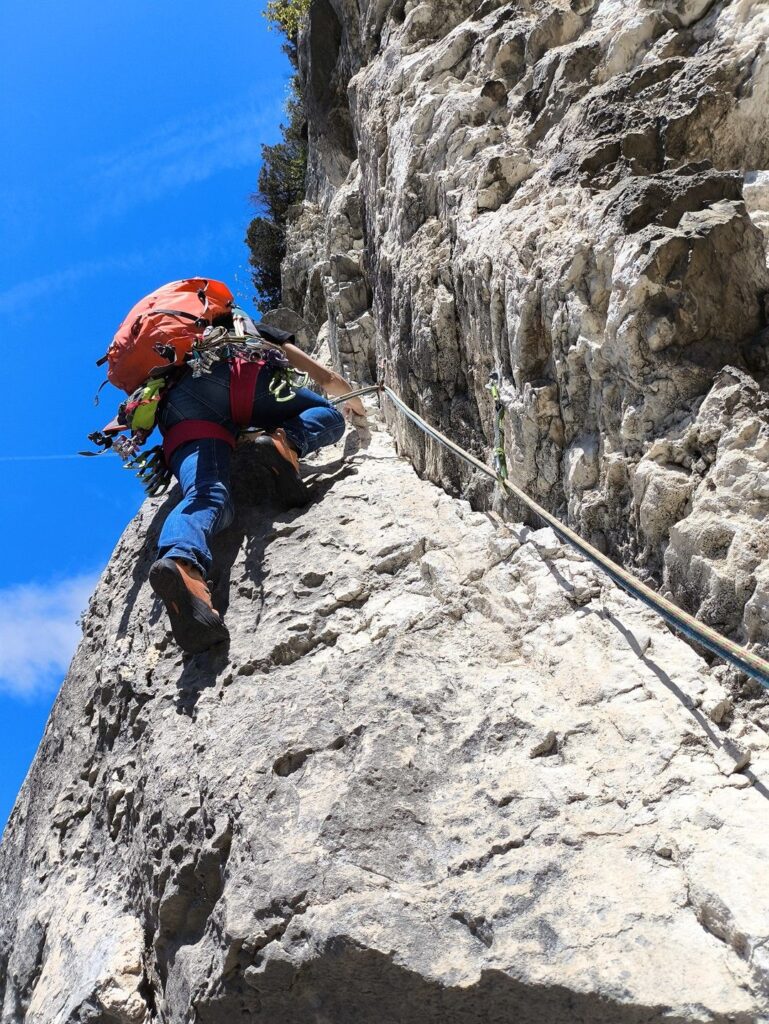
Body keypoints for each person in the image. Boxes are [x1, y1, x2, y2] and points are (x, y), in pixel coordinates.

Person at [148, 319, 367, 655]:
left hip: (178, 413)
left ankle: (181, 563)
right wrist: (357, 407)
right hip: (234, 379)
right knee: (328, 414)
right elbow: (326, 380)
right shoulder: (247, 328)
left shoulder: (172, 359)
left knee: (206, 494)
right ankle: (285, 444)